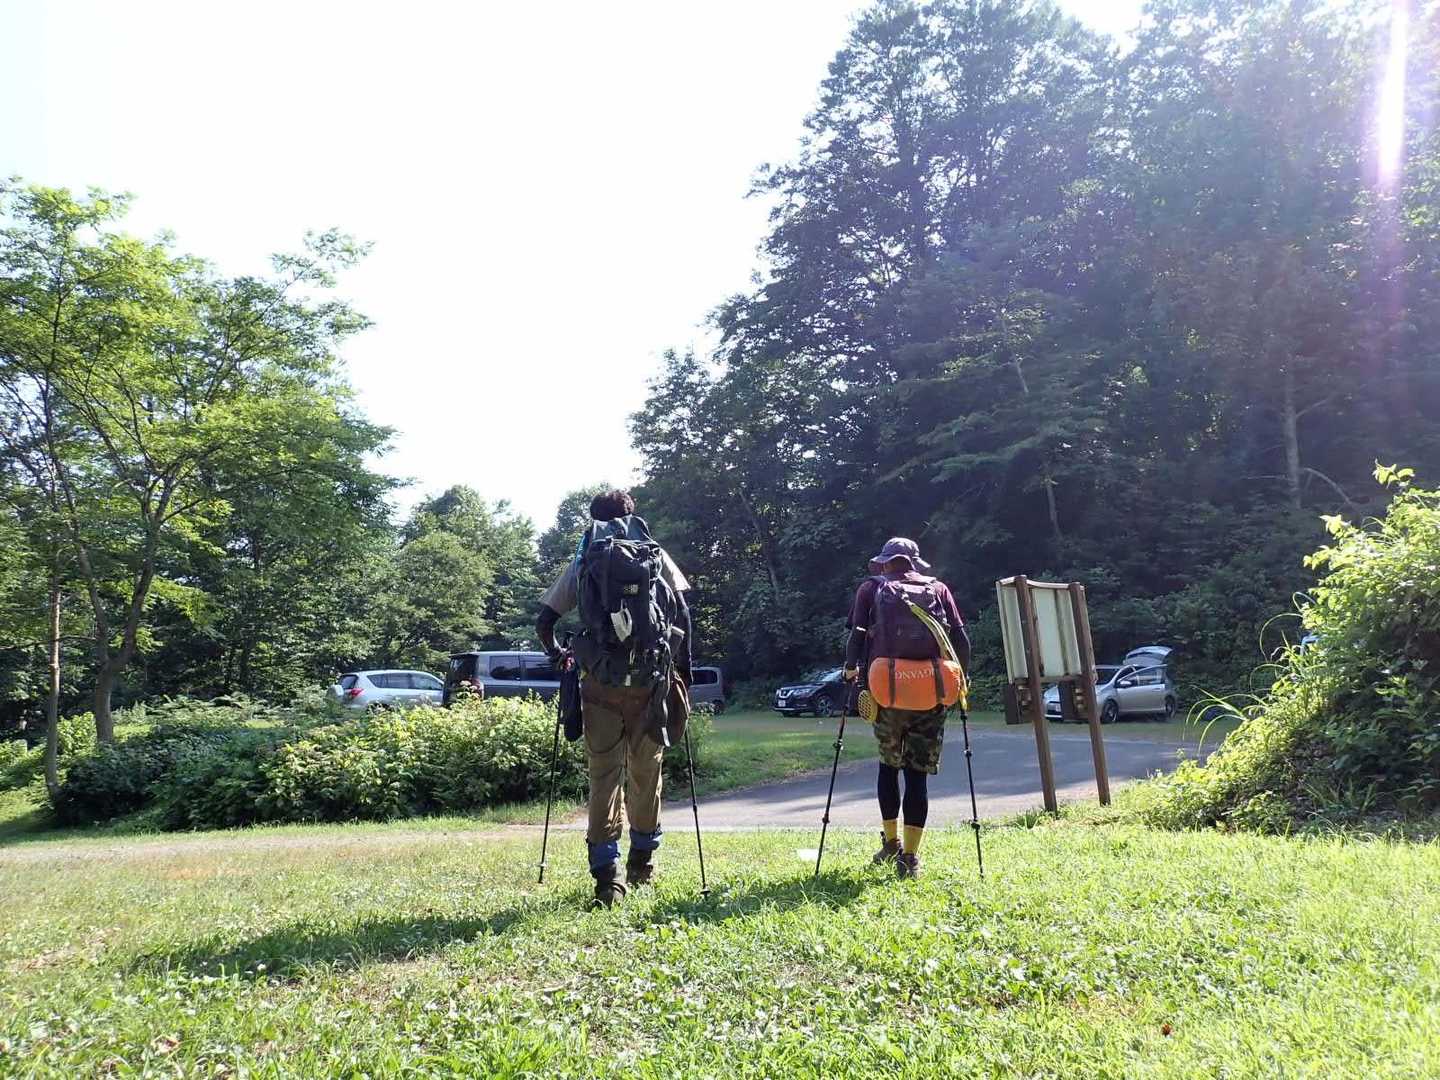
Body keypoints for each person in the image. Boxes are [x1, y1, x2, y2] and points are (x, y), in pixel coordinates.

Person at [536, 489, 693, 908]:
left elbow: (545, 622)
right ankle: (643, 864)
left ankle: (608, 880)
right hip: (649, 684)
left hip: (600, 685)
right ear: (632, 514)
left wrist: (559, 655)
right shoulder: (654, 554)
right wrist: (683, 672)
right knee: (646, 774)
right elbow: (682, 613)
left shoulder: (586, 559)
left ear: (594, 519)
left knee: (604, 776)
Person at [842, 537, 970, 880]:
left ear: (885, 562)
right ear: (915, 563)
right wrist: (961, 681)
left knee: (888, 767)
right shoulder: (938, 589)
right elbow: (961, 640)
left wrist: (851, 670)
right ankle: (910, 858)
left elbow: (857, 635)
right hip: (931, 692)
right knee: (917, 775)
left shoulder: (871, 589)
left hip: (886, 692)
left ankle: (891, 843)